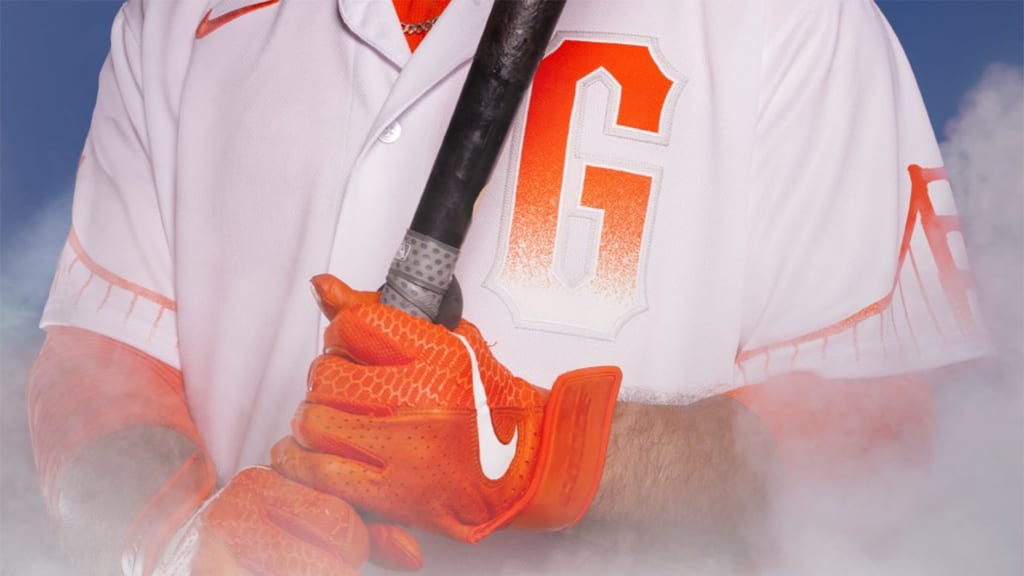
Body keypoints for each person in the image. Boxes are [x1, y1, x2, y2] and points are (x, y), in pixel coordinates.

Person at [27, 0, 991, 574]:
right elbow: (95, 362)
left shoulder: (792, 20)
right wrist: (171, 538)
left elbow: (889, 444)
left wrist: (540, 454)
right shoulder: (179, 17)